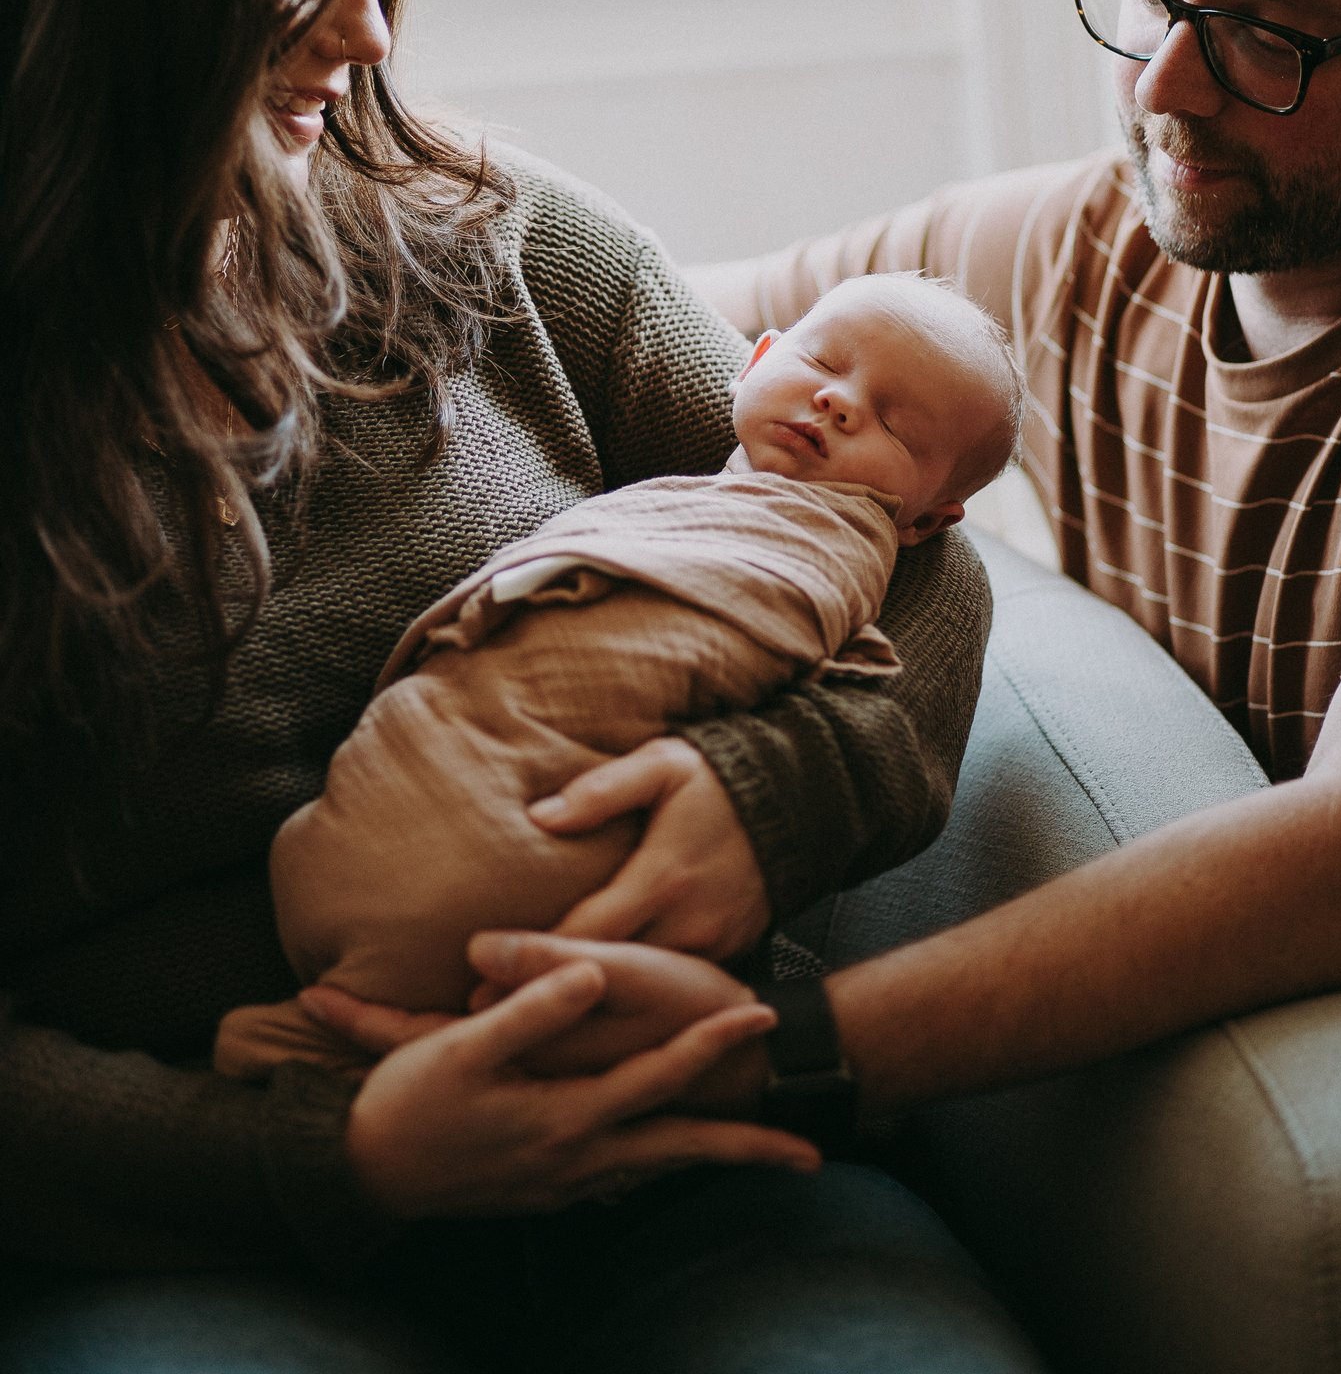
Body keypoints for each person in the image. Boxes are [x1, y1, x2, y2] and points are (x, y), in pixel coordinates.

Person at [0, 0, 1048, 1374]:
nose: (367, 34)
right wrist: (337, 1152)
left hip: (673, 1142)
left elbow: (908, 551)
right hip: (206, 1222)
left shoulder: (478, 240)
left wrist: (772, 792)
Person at [420, 0, 1341, 1168]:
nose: (1160, 89)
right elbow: (636, 333)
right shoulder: (1087, 249)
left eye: (1269, 35)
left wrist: (762, 1057)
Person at [214, 272, 1022, 1081]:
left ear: (923, 519)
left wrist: (785, 779)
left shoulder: (827, 541)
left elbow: (908, 618)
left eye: (897, 425)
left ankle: (343, 1050)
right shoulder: (718, 492)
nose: (841, 402)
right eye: (822, 360)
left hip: (544, 865)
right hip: (390, 798)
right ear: (757, 359)